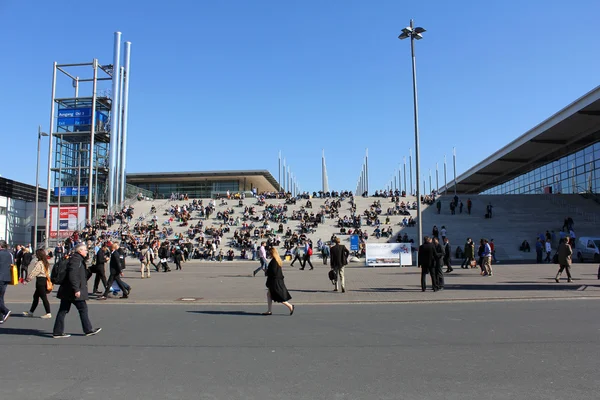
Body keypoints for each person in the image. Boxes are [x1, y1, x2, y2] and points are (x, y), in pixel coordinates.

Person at [52, 243, 102, 338]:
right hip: (72, 291)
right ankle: (88, 330)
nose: (86, 252)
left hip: (67, 290)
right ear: (80, 251)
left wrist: (90, 270)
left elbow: (81, 275)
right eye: (85, 250)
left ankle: (57, 332)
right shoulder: (76, 260)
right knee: (82, 309)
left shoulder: (76, 259)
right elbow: (73, 275)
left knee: (63, 310)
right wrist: (76, 289)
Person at [262, 247, 294, 316]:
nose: (269, 254)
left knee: (278, 296)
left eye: (269, 253)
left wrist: (266, 271)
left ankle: (290, 306)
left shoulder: (274, 261)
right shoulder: (278, 260)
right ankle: (269, 310)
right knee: (269, 294)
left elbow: (273, 272)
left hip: (274, 281)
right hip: (278, 280)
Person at [22, 249, 52, 319]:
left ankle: (48, 313)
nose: (35, 255)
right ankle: (31, 312)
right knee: (36, 297)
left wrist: (27, 280)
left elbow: (34, 272)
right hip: (44, 280)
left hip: (40, 281)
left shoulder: (39, 263)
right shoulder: (45, 262)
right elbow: (49, 272)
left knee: (43, 298)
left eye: (36, 254)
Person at [0, 240, 14, 324]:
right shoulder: (10, 254)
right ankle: (1, 317)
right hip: (6, 277)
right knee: (1, 297)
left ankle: (5, 311)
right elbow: (12, 264)